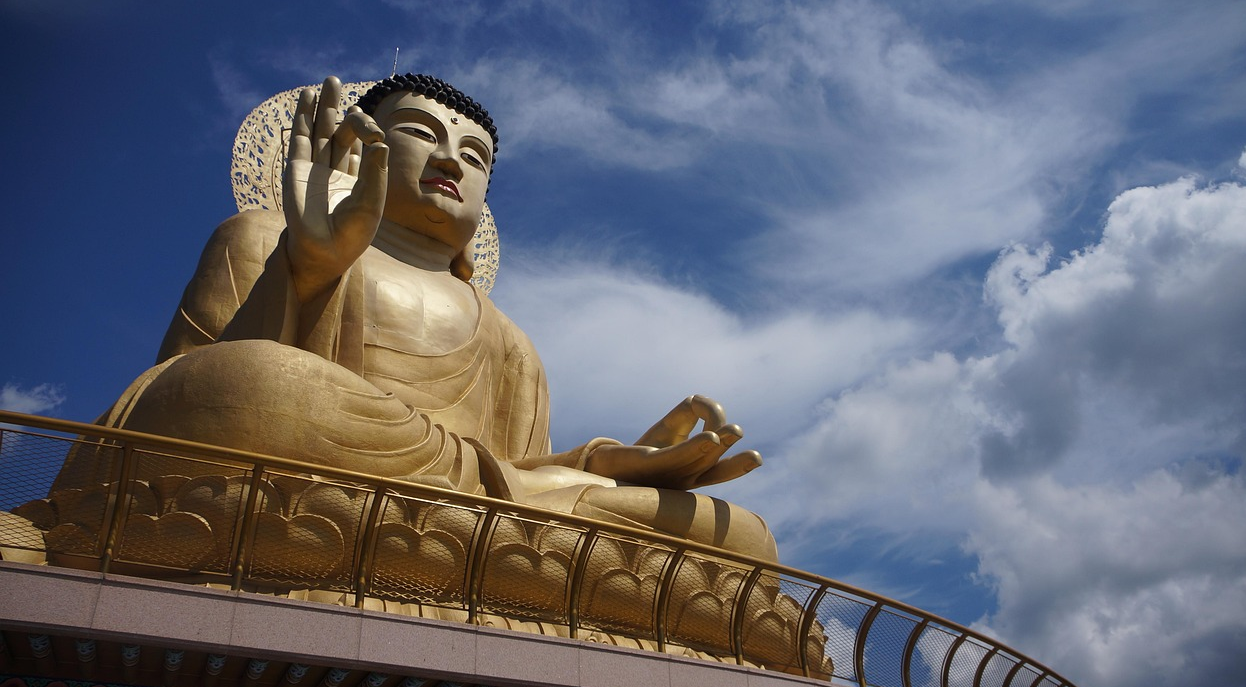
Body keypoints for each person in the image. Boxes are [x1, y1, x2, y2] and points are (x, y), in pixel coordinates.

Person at [101, 74, 777, 561]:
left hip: (473, 517)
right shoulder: (260, 238)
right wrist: (305, 269)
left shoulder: (509, 342)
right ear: (356, 150)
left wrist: (606, 468)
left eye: (475, 157)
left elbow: (515, 472)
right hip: (318, 469)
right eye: (421, 134)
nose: (452, 159)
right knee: (259, 383)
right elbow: (181, 405)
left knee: (739, 535)